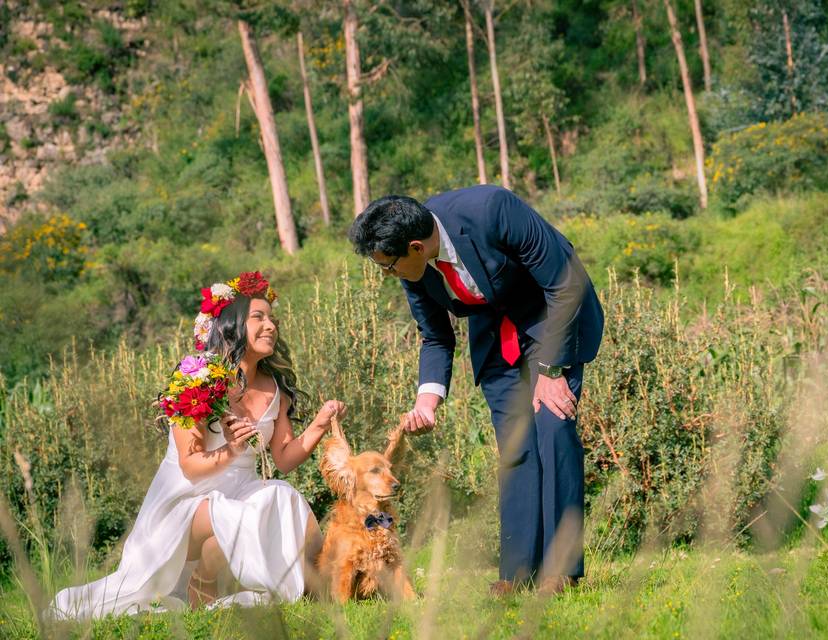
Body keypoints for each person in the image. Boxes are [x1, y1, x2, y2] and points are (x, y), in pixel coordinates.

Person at [349, 186, 604, 596]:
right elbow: (435, 336)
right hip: (496, 339)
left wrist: (551, 369)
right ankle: (518, 573)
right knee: (516, 447)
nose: (388, 275)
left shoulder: (491, 210)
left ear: (415, 246)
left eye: (388, 266)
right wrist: (426, 401)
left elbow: (564, 282)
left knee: (553, 432)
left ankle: (562, 572)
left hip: (555, 320)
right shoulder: (414, 268)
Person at [48, 272, 345, 619]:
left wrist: (321, 423)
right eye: (258, 317)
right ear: (233, 325)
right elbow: (190, 465)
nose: (270, 326)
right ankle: (203, 586)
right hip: (185, 504)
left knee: (284, 496)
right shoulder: (197, 377)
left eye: (272, 319)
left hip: (239, 494)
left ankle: (321, 586)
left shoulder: (272, 386)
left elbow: (284, 459)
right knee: (245, 511)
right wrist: (232, 449)